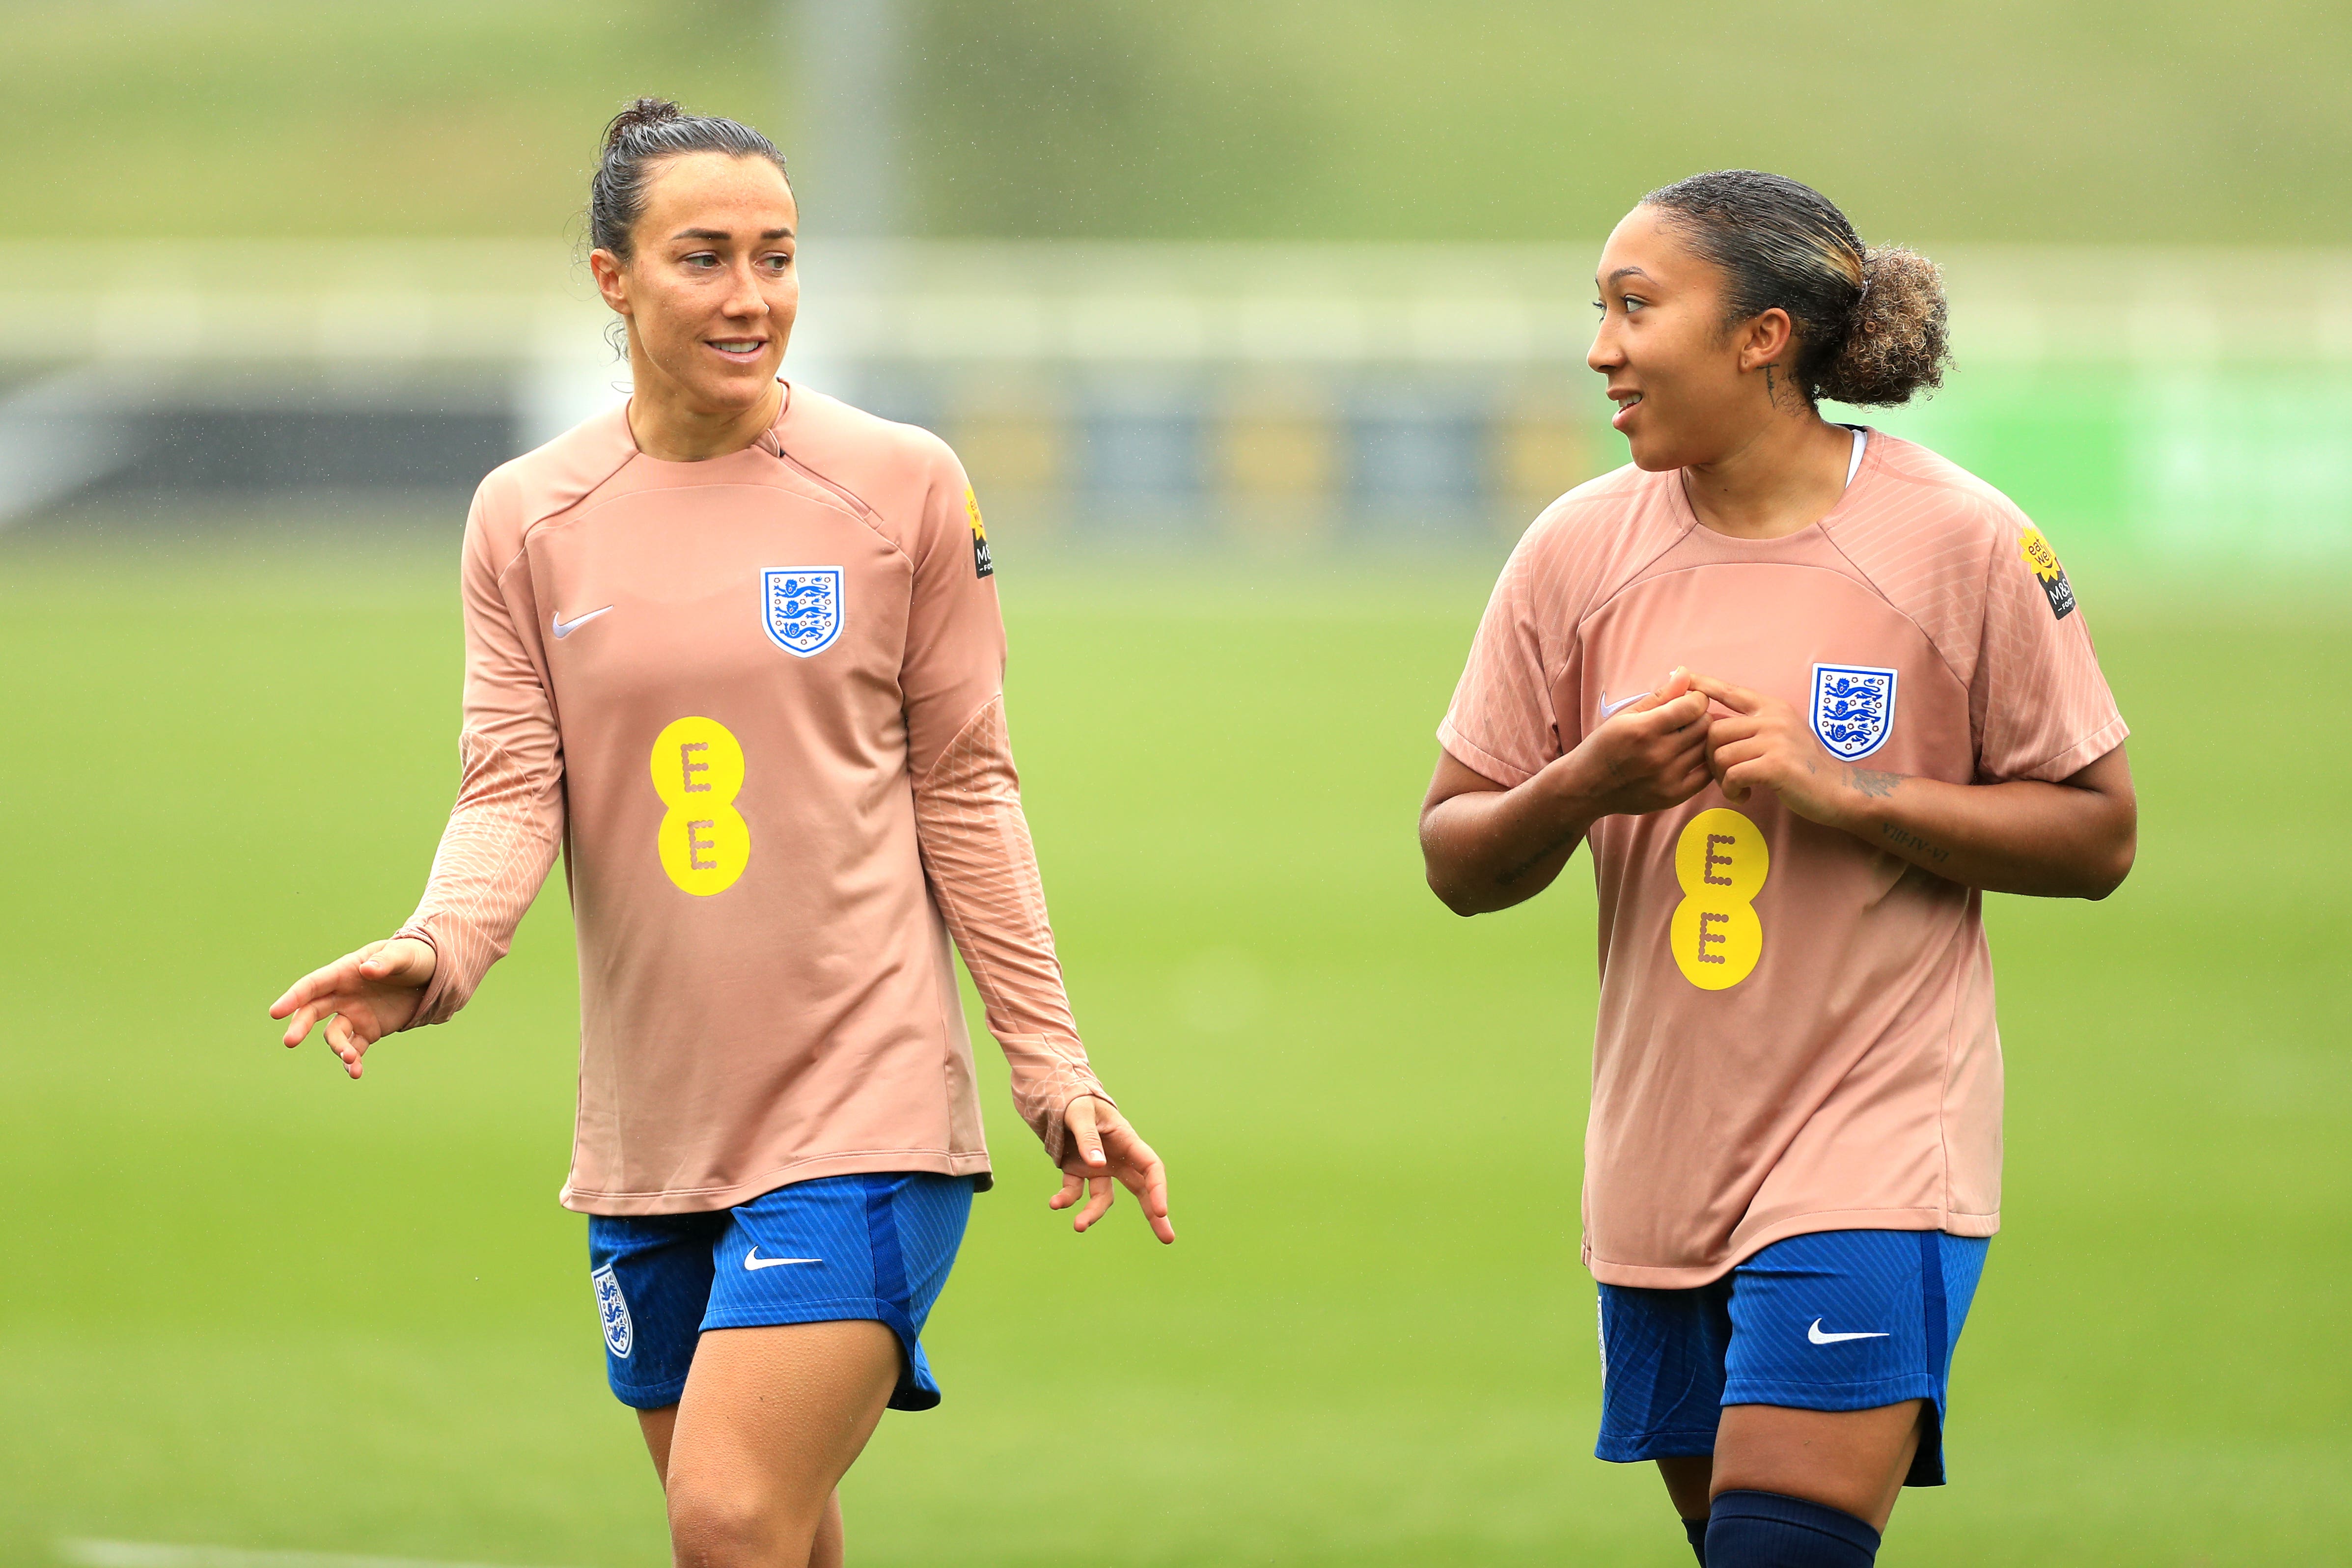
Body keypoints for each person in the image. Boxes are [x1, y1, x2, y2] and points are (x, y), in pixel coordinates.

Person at [269, 98, 1172, 1568]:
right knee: (777, 1536)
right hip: (649, 1132)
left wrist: (1050, 1061)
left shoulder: (902, 487)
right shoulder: (525, 517)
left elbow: (969, 783)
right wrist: (437, 948)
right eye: (704, 257)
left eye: (778, 255)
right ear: (611, 278)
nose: (752, 296)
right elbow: (510, 785)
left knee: (727, 1518)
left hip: (863, 1105)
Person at [1418, 170, 2134, 1567]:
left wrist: (1848, 791)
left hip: (1875, 1149)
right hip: (1660, 1163)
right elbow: (1457, 854)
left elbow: (2098, 832)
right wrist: (1584, 784)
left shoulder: (1962, 541)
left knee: (1780, 1552)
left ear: (1761, 338)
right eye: (1599, 310)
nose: (1601, 348)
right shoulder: (1574, 551)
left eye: (1636, 307)